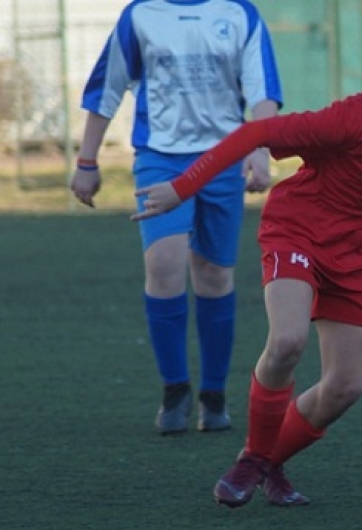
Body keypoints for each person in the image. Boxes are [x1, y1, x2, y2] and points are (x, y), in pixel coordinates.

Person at [131, 12, 362, 507]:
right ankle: (252, 461)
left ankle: (266, 462)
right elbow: (254, 134)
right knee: (287, 341)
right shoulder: (348, 120)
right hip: (298, 231)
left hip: (360, 256)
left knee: (345, 386)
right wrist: (182, 188)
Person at [70, 0, 283, 435]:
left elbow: (262, 90)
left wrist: (260, 151)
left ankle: (213, 394)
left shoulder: (240, 13)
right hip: (160, 159)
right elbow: (107, 87)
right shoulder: (140, 14)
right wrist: (87, 160)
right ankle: (175, 390)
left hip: (225, 158)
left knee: (213, 275)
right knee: (164, 265)